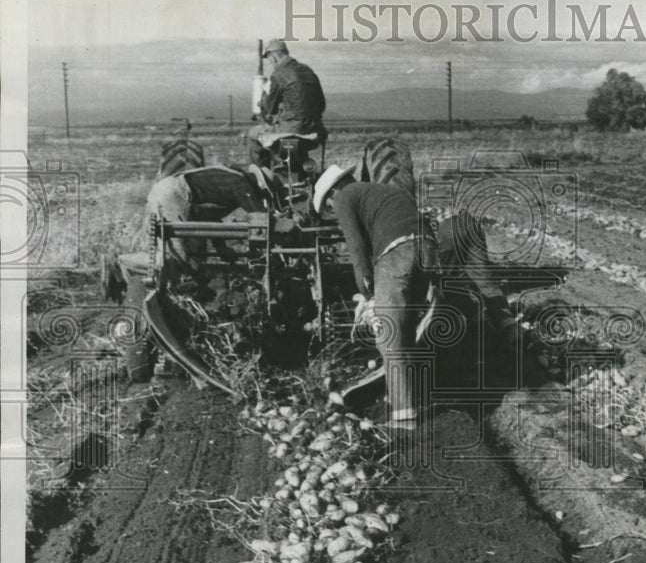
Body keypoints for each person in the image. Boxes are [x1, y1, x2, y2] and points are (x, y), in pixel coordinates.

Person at [313, 164, 437, 431]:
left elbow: (356, 249)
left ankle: (404, 416)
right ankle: (406, 395)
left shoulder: (344, 197)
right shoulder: (380, 191)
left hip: (397, 255)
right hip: (427, 249)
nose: (332, 210)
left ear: (333, 191)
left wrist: (366, 294)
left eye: (328, 206)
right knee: (405, 330)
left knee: (388, 335)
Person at [145, 163, 273, 271]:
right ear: (259, 184)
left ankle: (185, 281)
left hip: (167, 189)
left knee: (192, 253)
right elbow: (261, 217)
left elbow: (209, 217)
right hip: (174, 194)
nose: (259, 197)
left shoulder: (230, 180)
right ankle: (169, 285)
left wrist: (221, 248)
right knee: (179, 254)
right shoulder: (241, 184)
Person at [433, 207, 519, 337]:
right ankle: (510, 326)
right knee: (485, 281)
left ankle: (479, 323)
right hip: (467, 221)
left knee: (450, 280)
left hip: (445, 228)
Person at [247, 39, 327, 174]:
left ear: (274, 56)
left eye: (270, 60)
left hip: (293, 131)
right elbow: (321, 104)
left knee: (252, 136)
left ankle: (263, 177)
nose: (271, 64)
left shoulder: (279, 74)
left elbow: (269, 108)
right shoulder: (308, 70)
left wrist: (263, 102)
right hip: (315, 130)